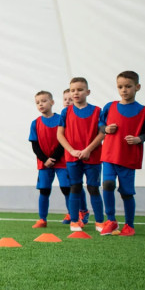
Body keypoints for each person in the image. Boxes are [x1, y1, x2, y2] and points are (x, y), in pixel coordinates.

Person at [98, 70, 145, 236]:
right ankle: (111, 220)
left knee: (127, 192)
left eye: (128, 86)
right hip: (109, 155)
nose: (124, 90)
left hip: (128, 158)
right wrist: (106, 129)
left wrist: (138, 139)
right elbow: (100, 125)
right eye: (120, 87)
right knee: (108, 185)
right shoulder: (109, 106)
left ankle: (129, 225)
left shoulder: (144, 111)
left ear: (137, 87)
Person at [57, 77, 106, 233]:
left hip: (93, 157)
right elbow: (60, 135)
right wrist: (71, 150)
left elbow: (102, 133)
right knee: (75, 187)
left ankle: (100, 222)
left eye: (79, 90)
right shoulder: (66, 112)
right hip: (72, 158)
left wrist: (88, 150)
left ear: (88, 92)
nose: (75, 93)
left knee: (93, 188)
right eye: (72, 90)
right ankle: (74, 221)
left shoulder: (97, 111)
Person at [28, 91, 66, 228]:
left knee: (66, 188)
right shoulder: (35, 123)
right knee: (44, 190)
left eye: (44, 101)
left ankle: (73, 217)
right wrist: (45, 160)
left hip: (61, 161)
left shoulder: (61, 119)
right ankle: (42, 219)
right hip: (44, 164)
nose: (41, 104)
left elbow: (63, 141)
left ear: (52, 102)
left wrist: (54, 158)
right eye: (38, 102)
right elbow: (35, 145)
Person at [61, 88, 89, 224]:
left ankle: (83, 210)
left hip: (77, 155)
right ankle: (71, 212)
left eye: (70, 99)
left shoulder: (81, 116)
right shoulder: (63, 115)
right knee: (67, 186)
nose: (67, 101)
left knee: (76, 185)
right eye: (65, 99)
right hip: (64, 156)